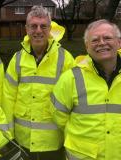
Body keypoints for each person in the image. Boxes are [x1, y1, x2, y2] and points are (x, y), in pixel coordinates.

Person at [2, 5, 75, 160]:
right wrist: (8, 135)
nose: (38, 30)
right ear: (26, 29)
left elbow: (73, 102)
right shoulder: (17, 59)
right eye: (33, 26)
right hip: (22, 140)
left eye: (43, 26)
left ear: (50, 29)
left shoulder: (65, 59)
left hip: (53, 142)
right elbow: (8, 98)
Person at [50, 19, 121, 160]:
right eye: (95, 40)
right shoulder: (70, 78)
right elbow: (58, 116)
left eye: (107, 38)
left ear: (119, 43)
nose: (101, 43)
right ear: (87, 47)